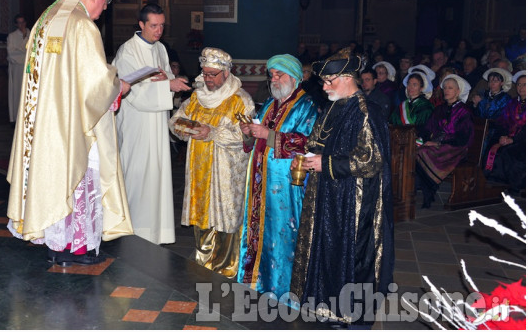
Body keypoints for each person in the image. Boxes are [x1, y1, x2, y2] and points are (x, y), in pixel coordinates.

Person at [6, 0, 133, 266]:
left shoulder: (47, 19)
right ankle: (75, 246)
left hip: (44, 120)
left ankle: (54, 242)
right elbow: (95, 84)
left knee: (52, 175)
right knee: (81, 177)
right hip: (73, 122)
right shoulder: (82, 26)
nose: (105, 7)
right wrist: (118, 85)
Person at [290, 47, 394, 327]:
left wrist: (328, 164)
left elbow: (371, 161)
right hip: (328, 196)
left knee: (351, 256)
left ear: (348, 78)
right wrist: (308, 157)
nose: (324, 87)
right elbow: (318, 141)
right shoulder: (335, 106)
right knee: (327, 252)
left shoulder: (365, 112)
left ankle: (353, 317)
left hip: (353, 202)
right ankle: (327, 309)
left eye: (329, 81)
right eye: (323, 81)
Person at [236, 54, 318, 298]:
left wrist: (268, 134)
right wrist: (249, 132)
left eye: (279, 74)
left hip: (286, 184)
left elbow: (308, 141)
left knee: (283, 234)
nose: (274, 79)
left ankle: (284, 288)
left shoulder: (307, 105)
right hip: (261, 180)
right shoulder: (271, 104)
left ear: (294, 77)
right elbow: (256, 140)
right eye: (271, 74)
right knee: (260, 231)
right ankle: (259, 283)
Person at [168, 48, 255, 278]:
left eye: (213, 74)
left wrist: (212, 132)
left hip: (226, 170)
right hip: (199, 167)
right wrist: (186, 128)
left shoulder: (240, 100)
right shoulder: (197, 97)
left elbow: (246, 137)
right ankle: (203, 261)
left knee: (225, 217)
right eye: (205, 73)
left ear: (226, 73)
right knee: (202, 214)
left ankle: (226, 267)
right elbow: (176, 119)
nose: (207, 79)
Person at [113, 3, 191, 245]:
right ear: (141, 25)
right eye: (154, 26)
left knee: (157, 172)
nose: (159, 31)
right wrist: (167, 85)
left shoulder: (160, 49)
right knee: (138, 173)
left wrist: (173, 79)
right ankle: (135, 229)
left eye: (162, 26)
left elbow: (163, 76)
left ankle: (157, 231)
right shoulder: (128, 51)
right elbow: (131, 92)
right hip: (137, 122)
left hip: (156, 120)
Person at [416, 75, 473, 209]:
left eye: (450, 88)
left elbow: (463, 137)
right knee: (416, 150)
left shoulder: (464, 111)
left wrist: (437, 143)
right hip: (438, 145)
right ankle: (428, 188)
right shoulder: (439, 109)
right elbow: (427, 127)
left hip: (456, 148)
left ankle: (429, 188)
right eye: (445, 88)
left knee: (424, 153)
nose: (446, 90)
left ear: (458, 91)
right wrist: (421, 140)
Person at [484, 71, 525, 194]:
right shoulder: (513, 103)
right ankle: (493, 181)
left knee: (511, 152)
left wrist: (513, 139)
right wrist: (503, 136)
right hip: (510, 137)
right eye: (518, 84)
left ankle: (517, 185)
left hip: (523, 139)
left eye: (524, 84)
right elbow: (503, 122)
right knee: (491, 145)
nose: (521, 87)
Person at [390, 72, 434, 139]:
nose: (410, 87)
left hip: (416, 142)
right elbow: (392, 122)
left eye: (414, 85)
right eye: (409, 84)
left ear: (421, 88)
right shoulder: (402, 105)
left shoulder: (426, 106)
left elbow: (424, 129)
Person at [6, 14, 29, 123]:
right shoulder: (12, 36)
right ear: (16, 24)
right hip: (17, 68)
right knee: (17, 92)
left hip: (29, 66)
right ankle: (16, 117)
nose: (21, 25)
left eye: (23, 22)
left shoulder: (32, 33)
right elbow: (11, 53)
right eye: (19, 22)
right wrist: (24, 43)